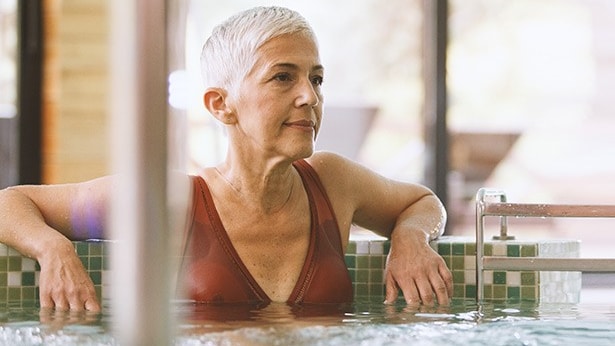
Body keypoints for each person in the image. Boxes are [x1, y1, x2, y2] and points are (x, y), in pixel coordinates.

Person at [0, 6, 452, 312]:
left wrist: (411, 237)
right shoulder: (173, 200)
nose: (309, 96)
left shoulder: (333, 181)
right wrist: (53, 248)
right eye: (282, 77)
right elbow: (10, 202)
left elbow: (423, 201)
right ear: (221, 104)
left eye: (316, 79)